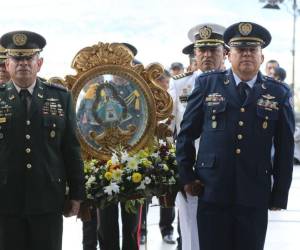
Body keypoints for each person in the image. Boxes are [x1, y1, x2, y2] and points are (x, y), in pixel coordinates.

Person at [176, 22, 295, 250]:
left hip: (254, 192)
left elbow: (285, 148)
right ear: (230, 55)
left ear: (262, 57)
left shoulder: (278, 92)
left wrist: (279, 193)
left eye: (253, 50)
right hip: (211, 189)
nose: (247, 55)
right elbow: (186, 134)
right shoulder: (208, 83)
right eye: (241, 50)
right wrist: (187, 177)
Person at [0, 30, 85, 250]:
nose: (23, 63)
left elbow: (71, 148)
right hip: (5, 200)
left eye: (29, 58)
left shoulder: (60, 97)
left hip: (47, 199)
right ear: (7, 64)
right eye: (17, 58)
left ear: (40, 63)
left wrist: (77, 194)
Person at [169, 23, 227, 250]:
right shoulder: (180, 84)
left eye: (213, 50)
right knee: (191, 231)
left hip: (223, 168)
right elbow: (169, 127)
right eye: (202, 50)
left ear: (224, 52)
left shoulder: (232, 83)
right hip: (191, 167)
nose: (207, 55)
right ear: (195, 53)